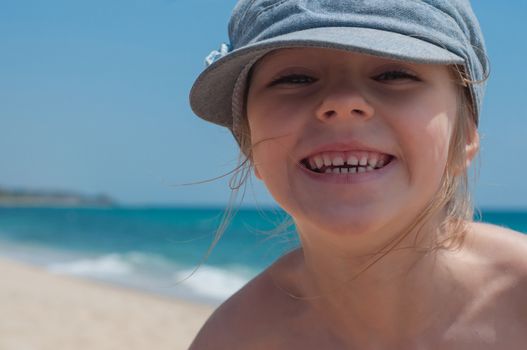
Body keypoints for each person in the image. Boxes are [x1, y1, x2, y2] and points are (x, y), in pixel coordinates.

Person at [188, 1, 527, 348]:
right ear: (249, 144)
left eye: (394, 74)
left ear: (466, 135)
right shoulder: (232, 340)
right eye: (295, 79)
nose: (344, 101)